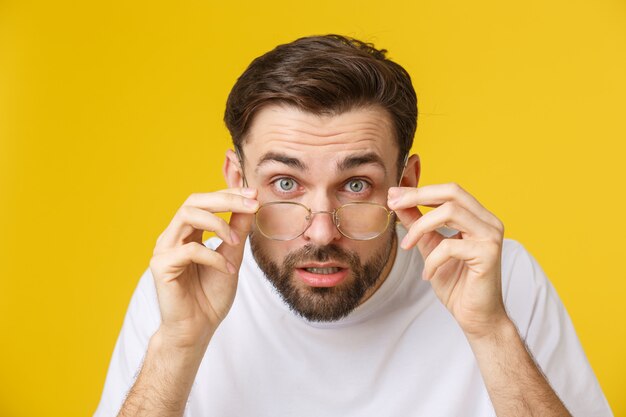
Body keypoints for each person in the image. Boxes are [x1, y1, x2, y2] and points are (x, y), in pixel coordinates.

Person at [94, 34, 612, 417]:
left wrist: (492, 332)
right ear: (237, 179)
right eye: (285, 184)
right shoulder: (185, 284)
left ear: (405, 182)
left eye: (357, 185)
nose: (321, 233)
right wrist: (178, 344)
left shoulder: (498, 277)